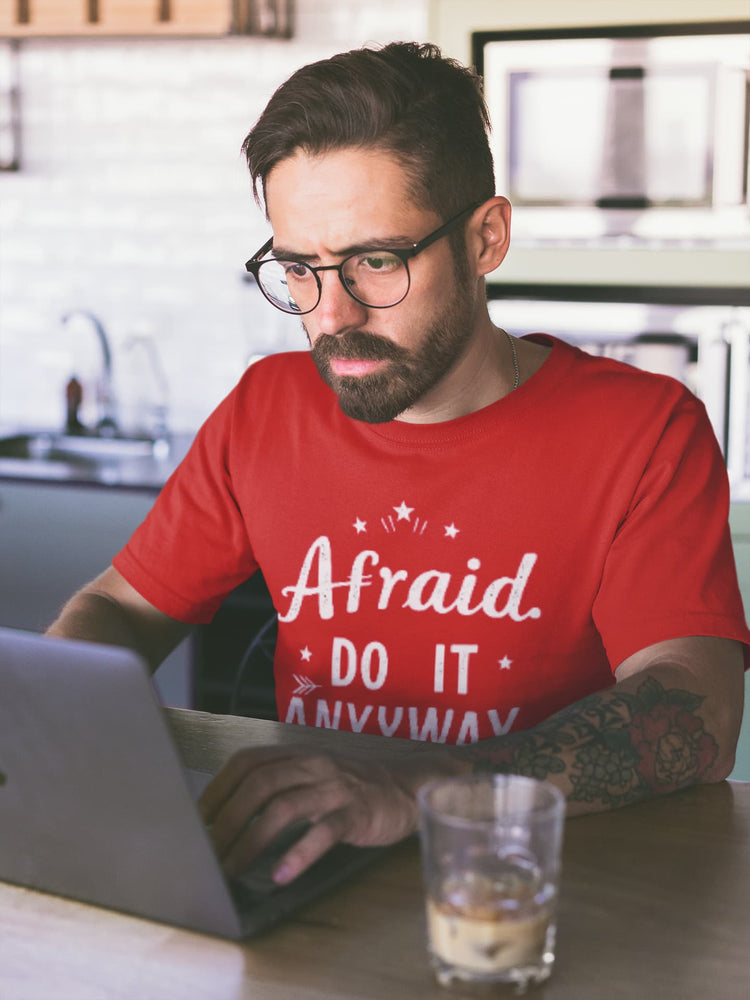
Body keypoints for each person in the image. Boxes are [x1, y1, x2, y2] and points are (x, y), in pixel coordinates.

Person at [47, 41, 749, 886]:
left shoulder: (645, 430)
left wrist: (422, 789)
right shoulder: (266, 409)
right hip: (306, 872)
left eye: (376, 261)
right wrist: (56, 729)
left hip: (538, 891)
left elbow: (695, 714)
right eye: (299, 268)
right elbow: (118, 608)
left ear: (487, 238)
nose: (331, 315)